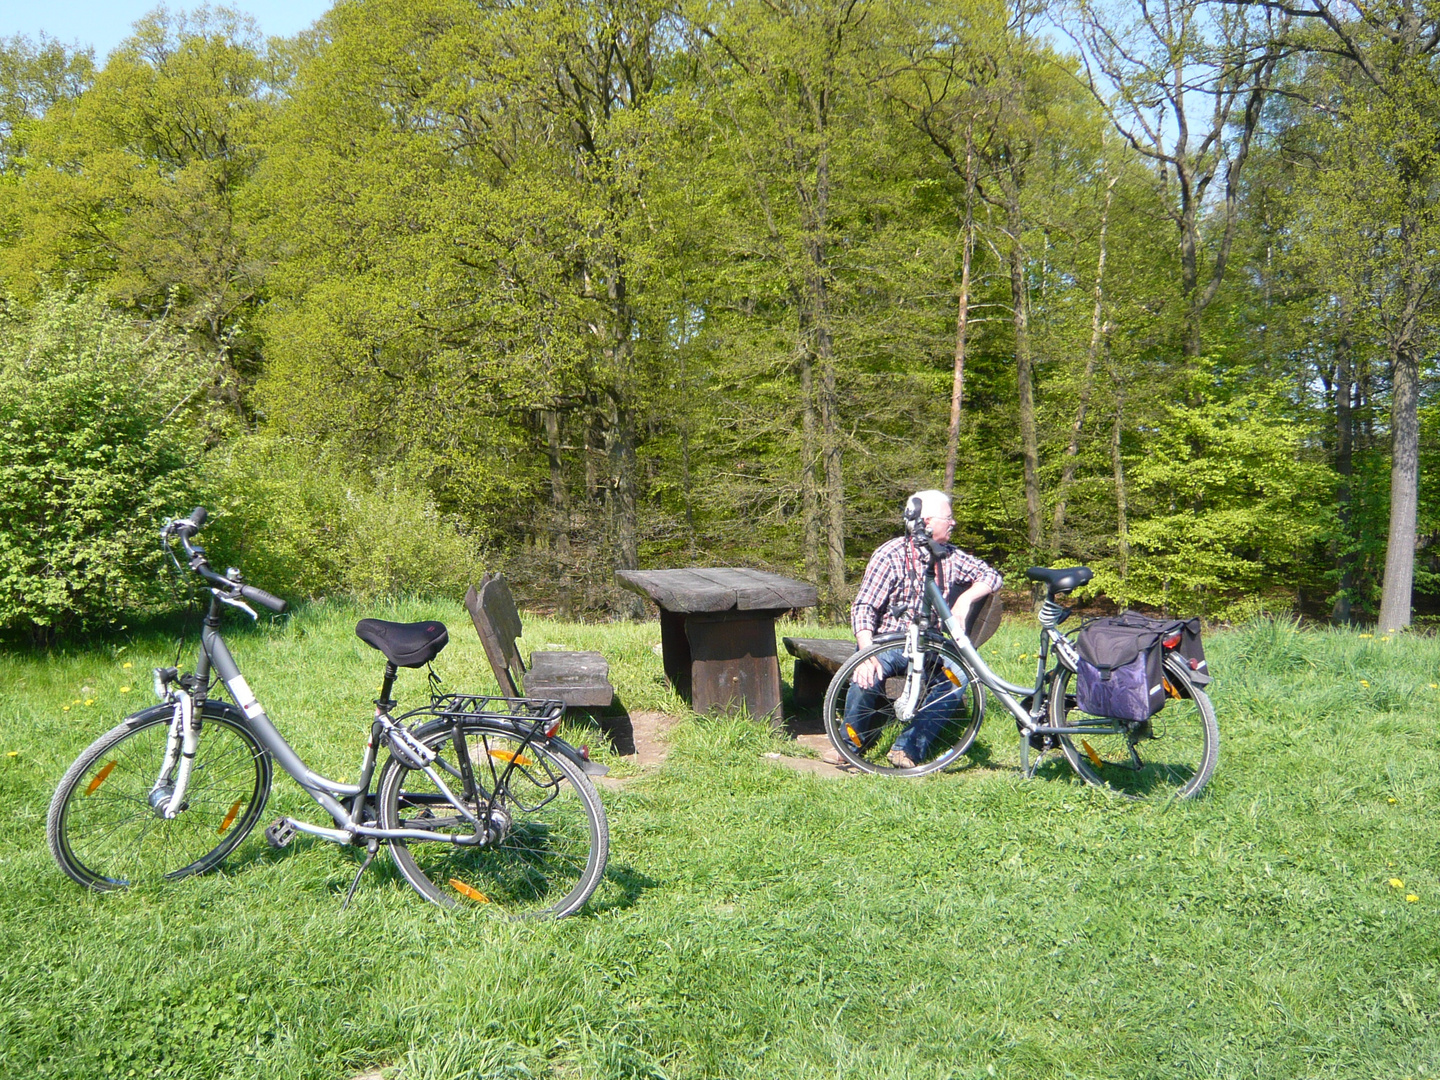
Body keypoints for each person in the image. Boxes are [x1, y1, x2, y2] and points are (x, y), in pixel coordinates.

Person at [829, 489, 1002, 768]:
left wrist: (964, 600)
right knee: (866, 675)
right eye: (949, 518)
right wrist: (866, 653)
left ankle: (907, 748)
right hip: (888, 644)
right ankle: (849, 744)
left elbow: (992, 576)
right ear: (928, 522)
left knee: (957, 677)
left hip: (930, 649)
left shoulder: (951, 556)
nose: (954, 523)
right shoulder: (890, 554)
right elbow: (863, 607)